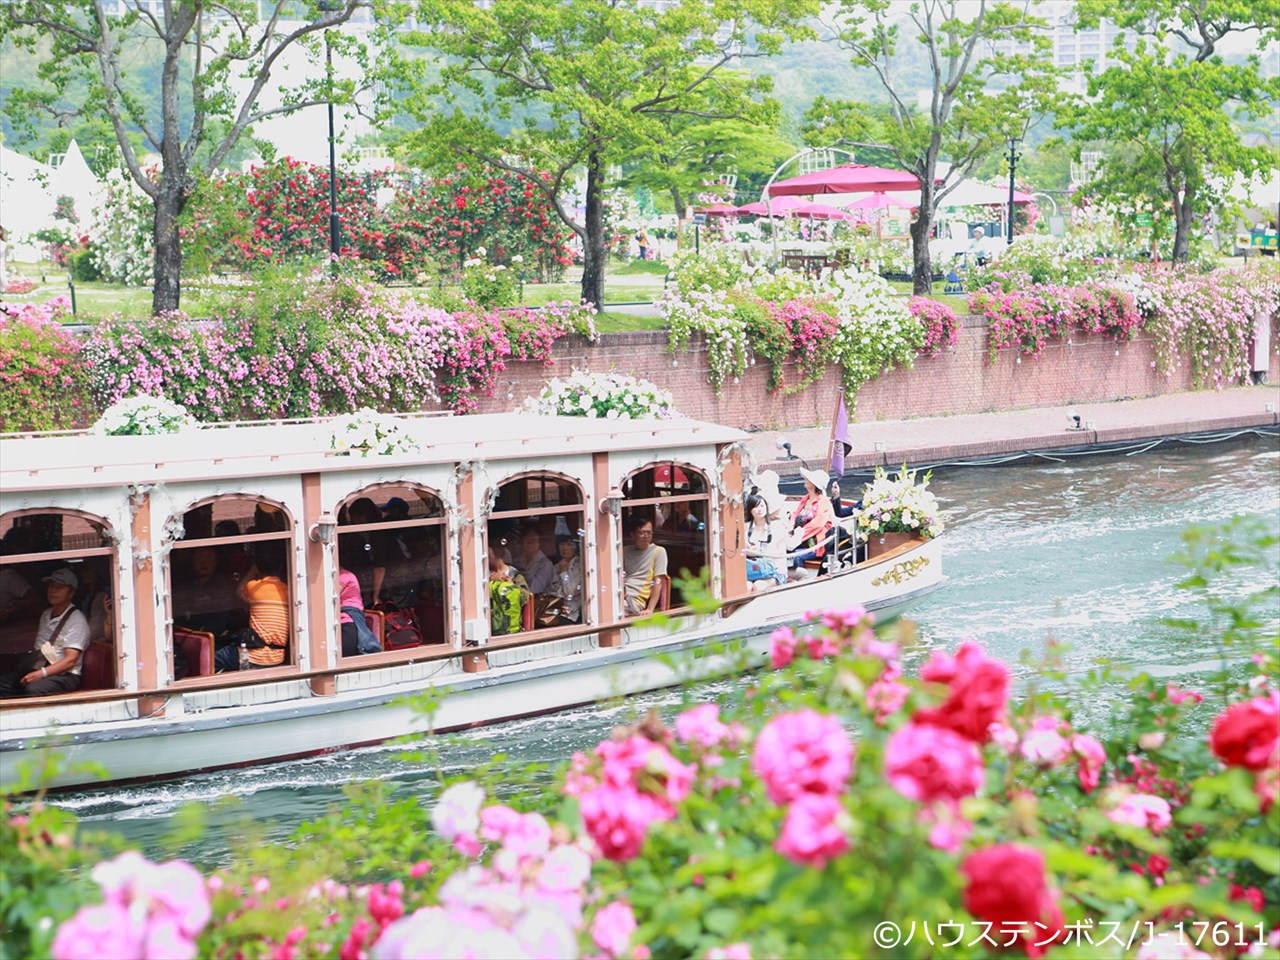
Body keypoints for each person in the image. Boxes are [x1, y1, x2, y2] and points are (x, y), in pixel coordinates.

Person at [0, 568, 91, 697]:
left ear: (71, 593)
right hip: (40, 667)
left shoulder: (77, 620)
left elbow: (70, 661)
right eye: (51, 586)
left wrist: (41, 673)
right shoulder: (46, 614)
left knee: (33, 690)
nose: (53, 591)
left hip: (65, 675)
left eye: (60, 587)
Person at [214, 547, 289, 671]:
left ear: (258, 567)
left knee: (213, 658)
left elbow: (238, 592)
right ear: (281, 567)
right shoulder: (288, 590)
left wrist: (252, 570)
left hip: (253, 656)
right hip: (277, 657)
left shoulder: (254, 587)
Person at [172, 546, 240, 638]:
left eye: (209, 557)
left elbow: (219, 623)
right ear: (193, 560)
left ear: (216, 561)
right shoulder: (187, 585)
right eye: (200, 557)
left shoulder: (221, 587)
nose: (203, 562)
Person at [787, 468, 836, 577]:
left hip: (814, 544)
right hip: (798, 539)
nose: (805, 480)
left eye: (808, 479)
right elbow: (795, 515)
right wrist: (790, 529)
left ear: (814, 485)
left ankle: (799, 581)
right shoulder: (805, 498)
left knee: (796, 556)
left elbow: (817, 525)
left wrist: (797, 537)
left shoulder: (824, 502)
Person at [622, 516, 668, 616]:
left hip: (634, 600)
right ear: (632, 535)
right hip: (620, 595)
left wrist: (650, 609)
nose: (646, 536)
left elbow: (658, 581)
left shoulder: (658, 551)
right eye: (642, 533)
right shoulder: (625, 551)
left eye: (649, 532)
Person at [743, 492, 786, 592]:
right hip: (752, 571)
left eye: (762, 506)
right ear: (750, 510)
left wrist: (759, 552)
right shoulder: (745, 527)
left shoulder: (777, 527)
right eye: (756, 507)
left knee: (758, 586)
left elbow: (780, 553)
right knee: (747, 587)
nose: (760, 509)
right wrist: (749, 552)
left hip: (774, 571)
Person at [488, 543, 531, 636]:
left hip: (511, 627)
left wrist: (512, 586)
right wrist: (490, 580)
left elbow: (526, 598)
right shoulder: (483, 574)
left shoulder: (515, 575)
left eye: (488, 552)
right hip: (490, 628)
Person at [550, 536, 584, 624]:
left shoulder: (581, 565)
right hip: (557, 610)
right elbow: (553, 589)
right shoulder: (556, 566)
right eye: (562, 544)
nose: (564, 548)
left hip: (574, 613)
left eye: (569, 544)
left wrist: (564, 572)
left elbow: (570, 592)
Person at [516, 528, 555, 595]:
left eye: (533, 540)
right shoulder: (517, 560)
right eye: (527, 539)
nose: (530, 542)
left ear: (539, 543)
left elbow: (535, 590)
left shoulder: (545, 564)